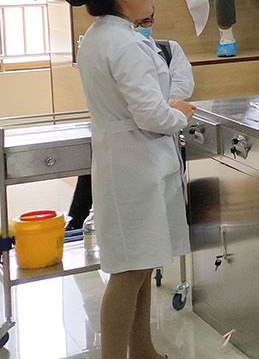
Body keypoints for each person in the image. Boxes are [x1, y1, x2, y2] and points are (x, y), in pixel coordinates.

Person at [64, 0, 197, 359]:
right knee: (127, 272)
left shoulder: (105, 35)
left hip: (133, 161)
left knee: (141, 263)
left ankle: (141, 349)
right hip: (134, 166)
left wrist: (167, 111)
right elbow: (151, 115)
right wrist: (180, 113)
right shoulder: (122, 44)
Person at [66, 12, 194, 233]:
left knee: (156, 220)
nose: (142, 27)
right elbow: (148, 109)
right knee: (135, 229)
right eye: (137, 23)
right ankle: (76, 220)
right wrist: (165, 108)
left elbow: (181, 86)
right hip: (131, 142)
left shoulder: (168, 48)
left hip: (156, 134)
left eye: (146, 22)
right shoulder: (122, 46)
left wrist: (163, 105)